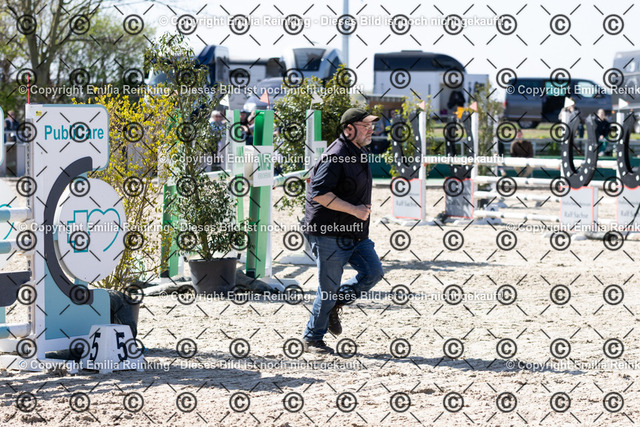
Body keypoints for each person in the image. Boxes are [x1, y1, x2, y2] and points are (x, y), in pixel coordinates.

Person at [301, 107, 384, 354]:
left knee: (373, 273)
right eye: (365, 125)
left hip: (355, 232)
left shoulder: (358, 151)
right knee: (327, 289)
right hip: (328, 231)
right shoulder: (336, 155)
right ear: (348, 129)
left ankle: (335, 304)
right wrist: (354, 210)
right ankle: (312, 338)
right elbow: (319, 194)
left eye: (372, 125)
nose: (371, 129)